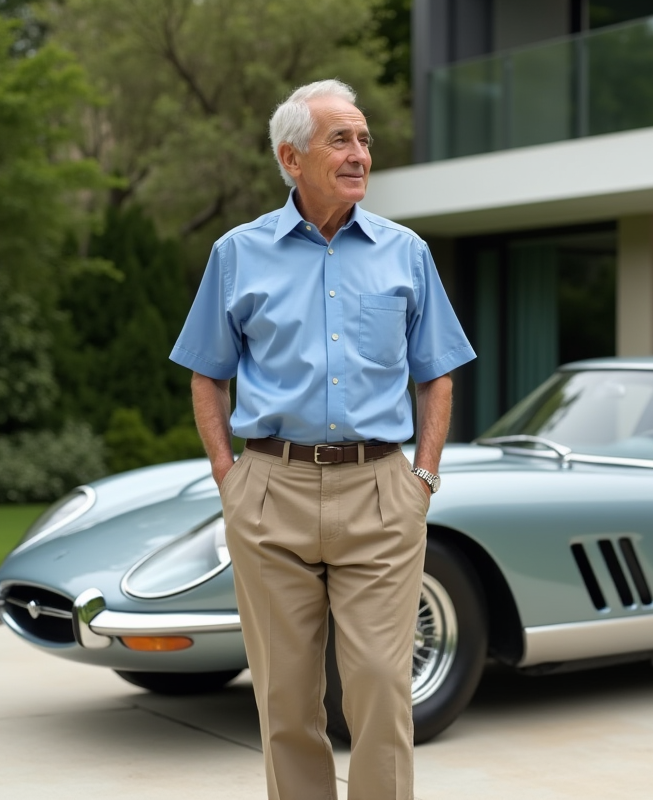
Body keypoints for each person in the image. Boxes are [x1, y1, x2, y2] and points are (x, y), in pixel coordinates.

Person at [169, 79, 475, 800]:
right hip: (269, 494)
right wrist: (230, 478)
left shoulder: (406, 252)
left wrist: (423, 478)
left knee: (381, 688)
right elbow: (207, 375)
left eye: (364, 139)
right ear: (292, 157)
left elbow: (437, 375)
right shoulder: (237, 253)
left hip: (381, 494)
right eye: (341, 139)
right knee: (284, 699)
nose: (360, 153)